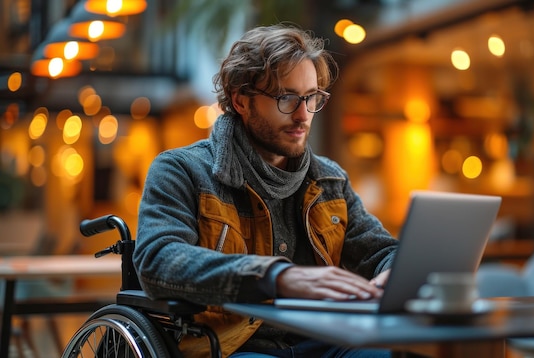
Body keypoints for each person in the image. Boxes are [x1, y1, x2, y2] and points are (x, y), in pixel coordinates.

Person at [134, 23, 398, 357]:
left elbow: (380, 251)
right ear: (241, 100)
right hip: (232, 346)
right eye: (286, 98)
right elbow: (158, 260)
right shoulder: (182, 170)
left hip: (326, 341)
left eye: (311, 97)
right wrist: (276, 277)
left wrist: (393, 271)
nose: (303, 115)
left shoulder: (330, 180)